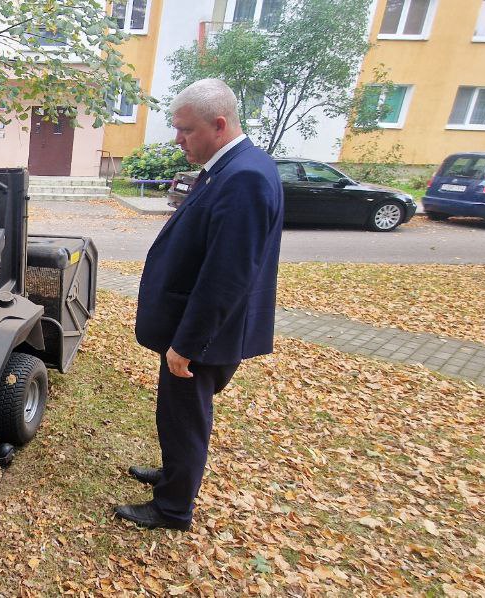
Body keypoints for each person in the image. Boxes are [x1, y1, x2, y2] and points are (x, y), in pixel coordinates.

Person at [115, 79, 283, 531]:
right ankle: (173, 476)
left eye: (185, 130)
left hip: (203, 336)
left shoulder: (245, 177)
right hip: (198, 327)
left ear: (220, 124)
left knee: (185, 420)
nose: (178, 139)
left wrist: (186, 344)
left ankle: (172, 509)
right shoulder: (231, 166)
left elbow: (227, 275)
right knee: (176, 416)